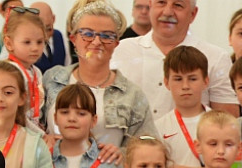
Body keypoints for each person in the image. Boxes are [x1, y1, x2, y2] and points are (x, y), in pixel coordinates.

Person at [44, 1, 159, 151]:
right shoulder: (53, 79)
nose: (97, 42)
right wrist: (42, 138)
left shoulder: (132, 94)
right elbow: (27, 125)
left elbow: (149, 148)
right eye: (87, 34)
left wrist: (122, 154)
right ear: (73, 39)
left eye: (106, 36)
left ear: (116, 43)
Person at [111, 0, 238, 120]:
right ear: (150, 5)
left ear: (193, 14)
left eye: (177, 5)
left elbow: (226, 122)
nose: (167, 12)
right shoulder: (121, 50)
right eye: (161, 2)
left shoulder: (215, 58)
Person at [50, 83, 121, 168]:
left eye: (81, 113)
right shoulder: (44, 159)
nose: (72, 118)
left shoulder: (110, 160)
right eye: (65, 112)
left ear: (94, 120)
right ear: (55, 118)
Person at [156, 45, 209, 168]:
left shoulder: (220, 122)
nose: (185, 86)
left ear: (205, 81)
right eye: (178, 79)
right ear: (167, 83)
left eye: (192, 78)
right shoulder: (158, 127)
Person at [1, 5, 47, 128]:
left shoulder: (36, 71)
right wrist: (40, 135)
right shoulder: (9, 73)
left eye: (40, 42)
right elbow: (15, 116)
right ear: (9, 43)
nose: (35, 48)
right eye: (27, 42)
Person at [31, 2, 71, 73]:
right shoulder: (25, 43)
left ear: (53, 19)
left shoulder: (61, 37)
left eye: (48, 28)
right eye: (41, 28)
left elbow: (68, 66)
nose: (45, 34)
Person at [0, 0, 25, 66]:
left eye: (21, 10)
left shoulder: (29, 36)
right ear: (3, 12)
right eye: (12, 9)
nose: (18, 13)